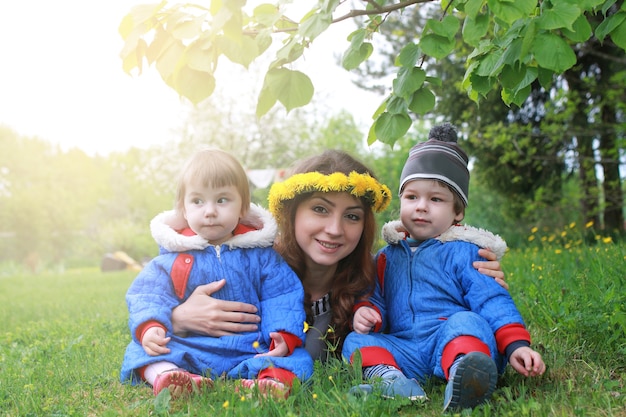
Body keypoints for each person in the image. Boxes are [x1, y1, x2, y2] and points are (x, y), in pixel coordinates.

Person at [154, 150, 507, 362]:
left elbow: (434, 286)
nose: (335, 229)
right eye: (320, 210)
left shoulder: (380, 275)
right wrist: (178, 316)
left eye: (352, 216)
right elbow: (154, 292)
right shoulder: (248, 265)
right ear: (291, 214)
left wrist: (476, 268)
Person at [342, 124, 545, 412]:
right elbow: (376, 299)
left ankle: (465, 374)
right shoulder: (386, 257)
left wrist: (516, 345)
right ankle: (392, 380)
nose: (421, 206)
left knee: (467, 322)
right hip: (407, 349)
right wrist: (368, 312)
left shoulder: (466, 252)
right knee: (356, 341)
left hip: (450, 339)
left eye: (435, 199)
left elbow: (491, 299)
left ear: (458, 212)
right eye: (412, 197)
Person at [120, 148, 313, 399]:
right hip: (193, 346)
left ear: (243, 207)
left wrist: (282, 334)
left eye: (222, 200)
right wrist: (152, 326)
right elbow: (148, 294)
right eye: (198, 201)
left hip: (252, 345)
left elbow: (282, 294)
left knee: (297, 357)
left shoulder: (261, 256)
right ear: (184, 209)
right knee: (142, 350)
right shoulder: (173, 258)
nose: (209, 211)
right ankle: (170, 377)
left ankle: (267, 384)